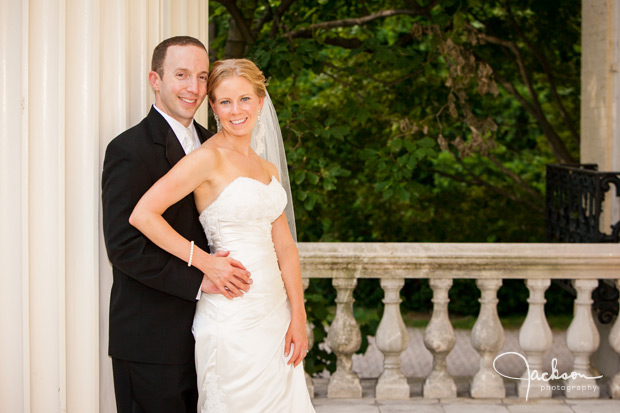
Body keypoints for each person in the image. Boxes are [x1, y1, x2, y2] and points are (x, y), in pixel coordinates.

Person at [129, 58, 315, 412]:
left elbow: (286, 248)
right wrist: (204, 263)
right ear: (212, 106)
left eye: (245, 99)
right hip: (231, 315)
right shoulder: (206, 159)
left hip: (275, 315)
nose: (236, 111)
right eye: (225, 102)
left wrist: (298, 314)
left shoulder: (266, 168)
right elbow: (143, 215)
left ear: (261, 101)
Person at [102, 37, 252, 413]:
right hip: (151, 339)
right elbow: (124, 247)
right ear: (156, 79)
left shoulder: (215, 144)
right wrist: (200, 277)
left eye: (202, 77)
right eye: (181, 75)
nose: (194, 88)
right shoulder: (128, 149)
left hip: (212, 335)